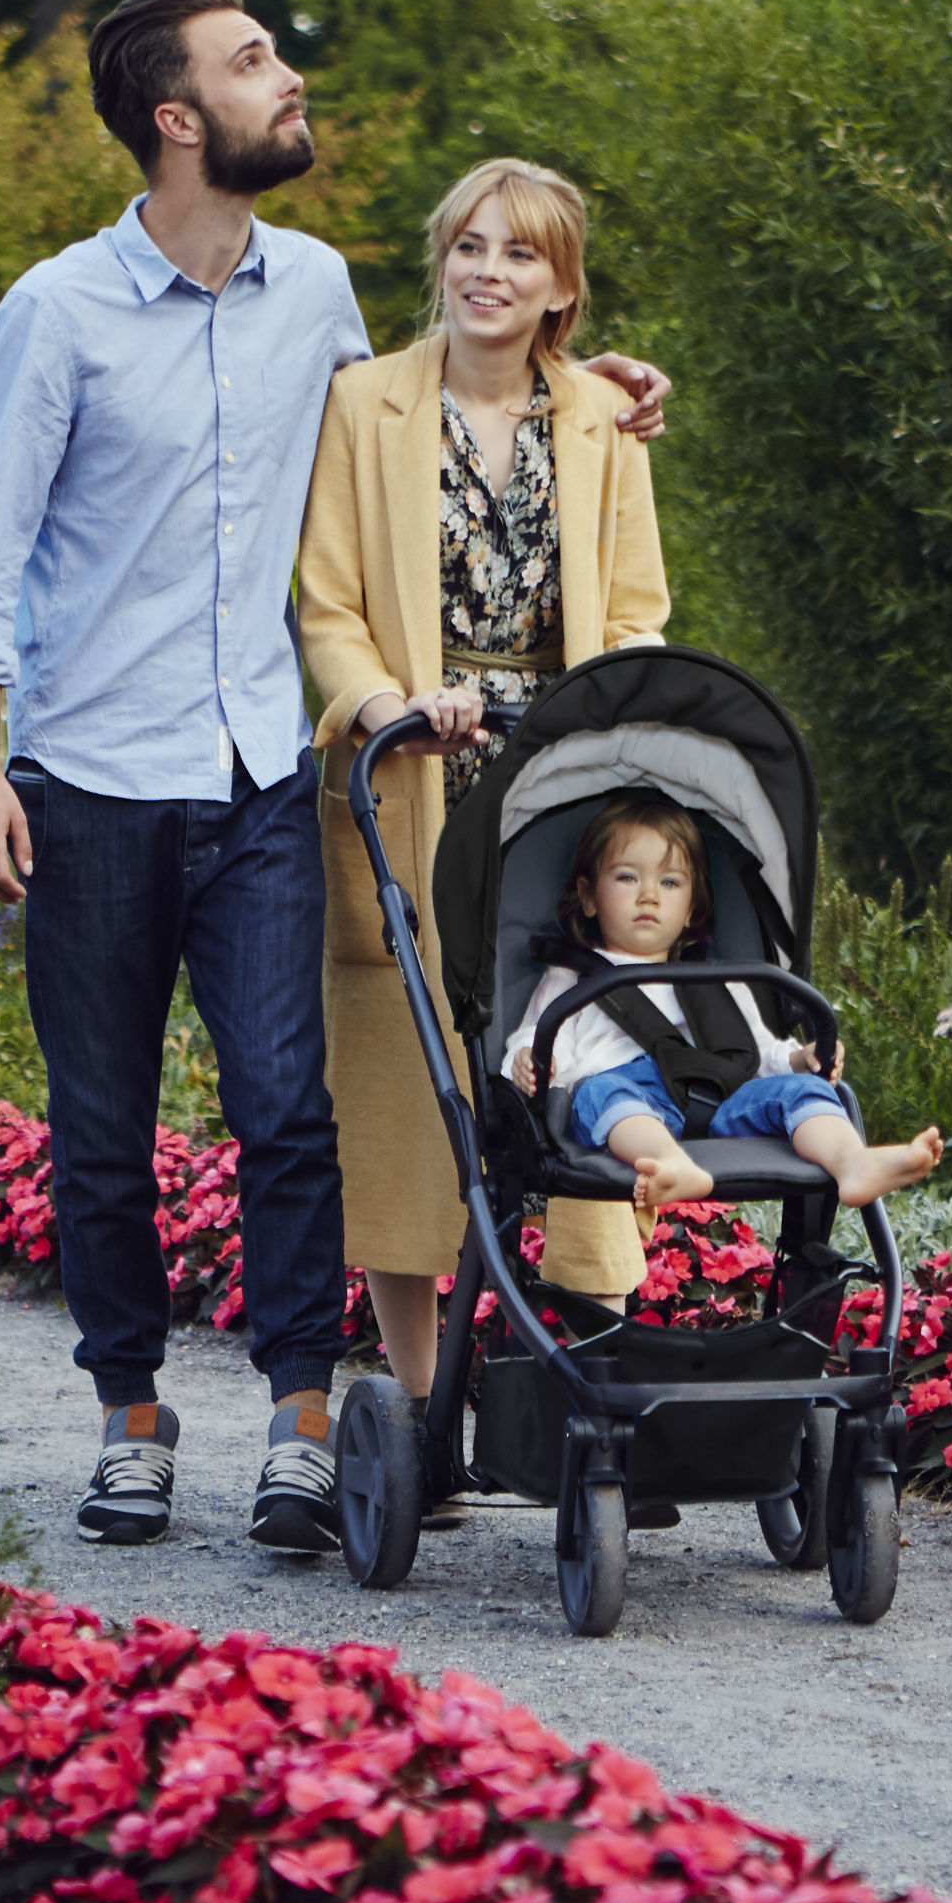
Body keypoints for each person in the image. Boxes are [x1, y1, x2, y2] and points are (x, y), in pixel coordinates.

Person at [0, 0, 670, 1551]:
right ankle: (128, 1412)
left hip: (263, 771)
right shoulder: (55, 311)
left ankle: (306, 1422)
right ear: (179, 119)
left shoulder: (313, 287)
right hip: (91, 780)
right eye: (254, 64)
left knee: (289, 1110)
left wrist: (597, 387)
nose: (288, 76)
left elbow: (437, 404)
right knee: (101, 1123)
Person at [298, 158, 667, 1501]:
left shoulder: (604, 419)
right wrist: (388, 704)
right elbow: (325, 599)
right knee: (410, 1090)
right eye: (467, 245)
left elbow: (632, 608)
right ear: (439, 259)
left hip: (556, 784)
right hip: (410, 773)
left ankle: (590, 1381)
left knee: (567, 1056)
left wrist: (602, 726)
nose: (486, 272)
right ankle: (418, 1408)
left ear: (561, 286)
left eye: (518, 254)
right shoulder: (364, 404)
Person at [508, 796, 946, 1216]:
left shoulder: (720, 981)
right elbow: (538, 1037)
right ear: (588, 896)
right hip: (630, 1097)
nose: (649, 895)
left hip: (722, 1097)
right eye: (627, 877)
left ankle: (852, 1162)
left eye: (669, 882)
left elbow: (758, 1052)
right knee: (600, 1093)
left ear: (691, 906)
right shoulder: (573, 978)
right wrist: (531, 1061)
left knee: (805, 1091)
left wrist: (799, 1059)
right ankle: (670, 1162)